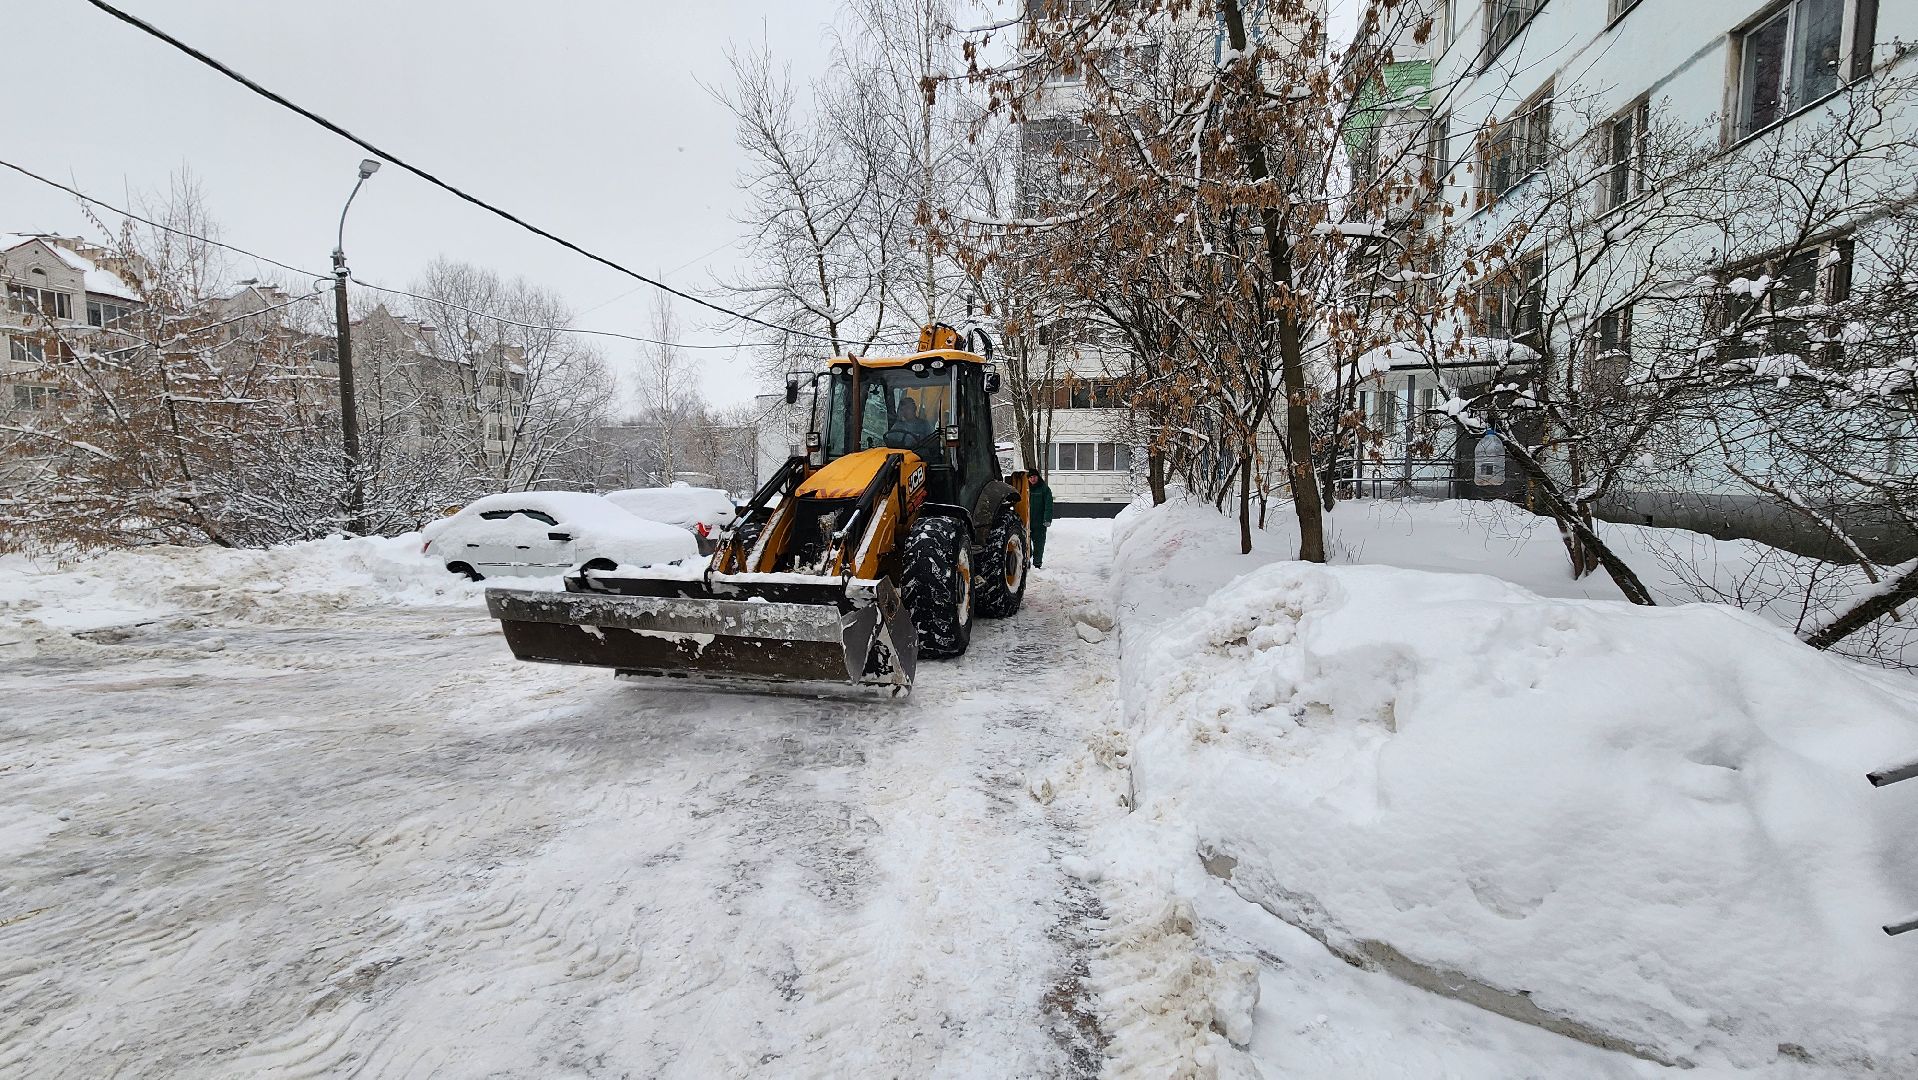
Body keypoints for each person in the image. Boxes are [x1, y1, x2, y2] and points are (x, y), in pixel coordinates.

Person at [1028, 471, 1054, 569]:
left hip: (1039, 522)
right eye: (1030, 477)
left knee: (1039, 543)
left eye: (1034, 476)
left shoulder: (1044, 489)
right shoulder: (1025, 489)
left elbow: (1049, 505)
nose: (1032, 479)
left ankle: (1037, 563)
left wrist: (1047, 519)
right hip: (1027, 522)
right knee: (1026, 543)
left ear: (1038, 477)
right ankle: (1027, 560)